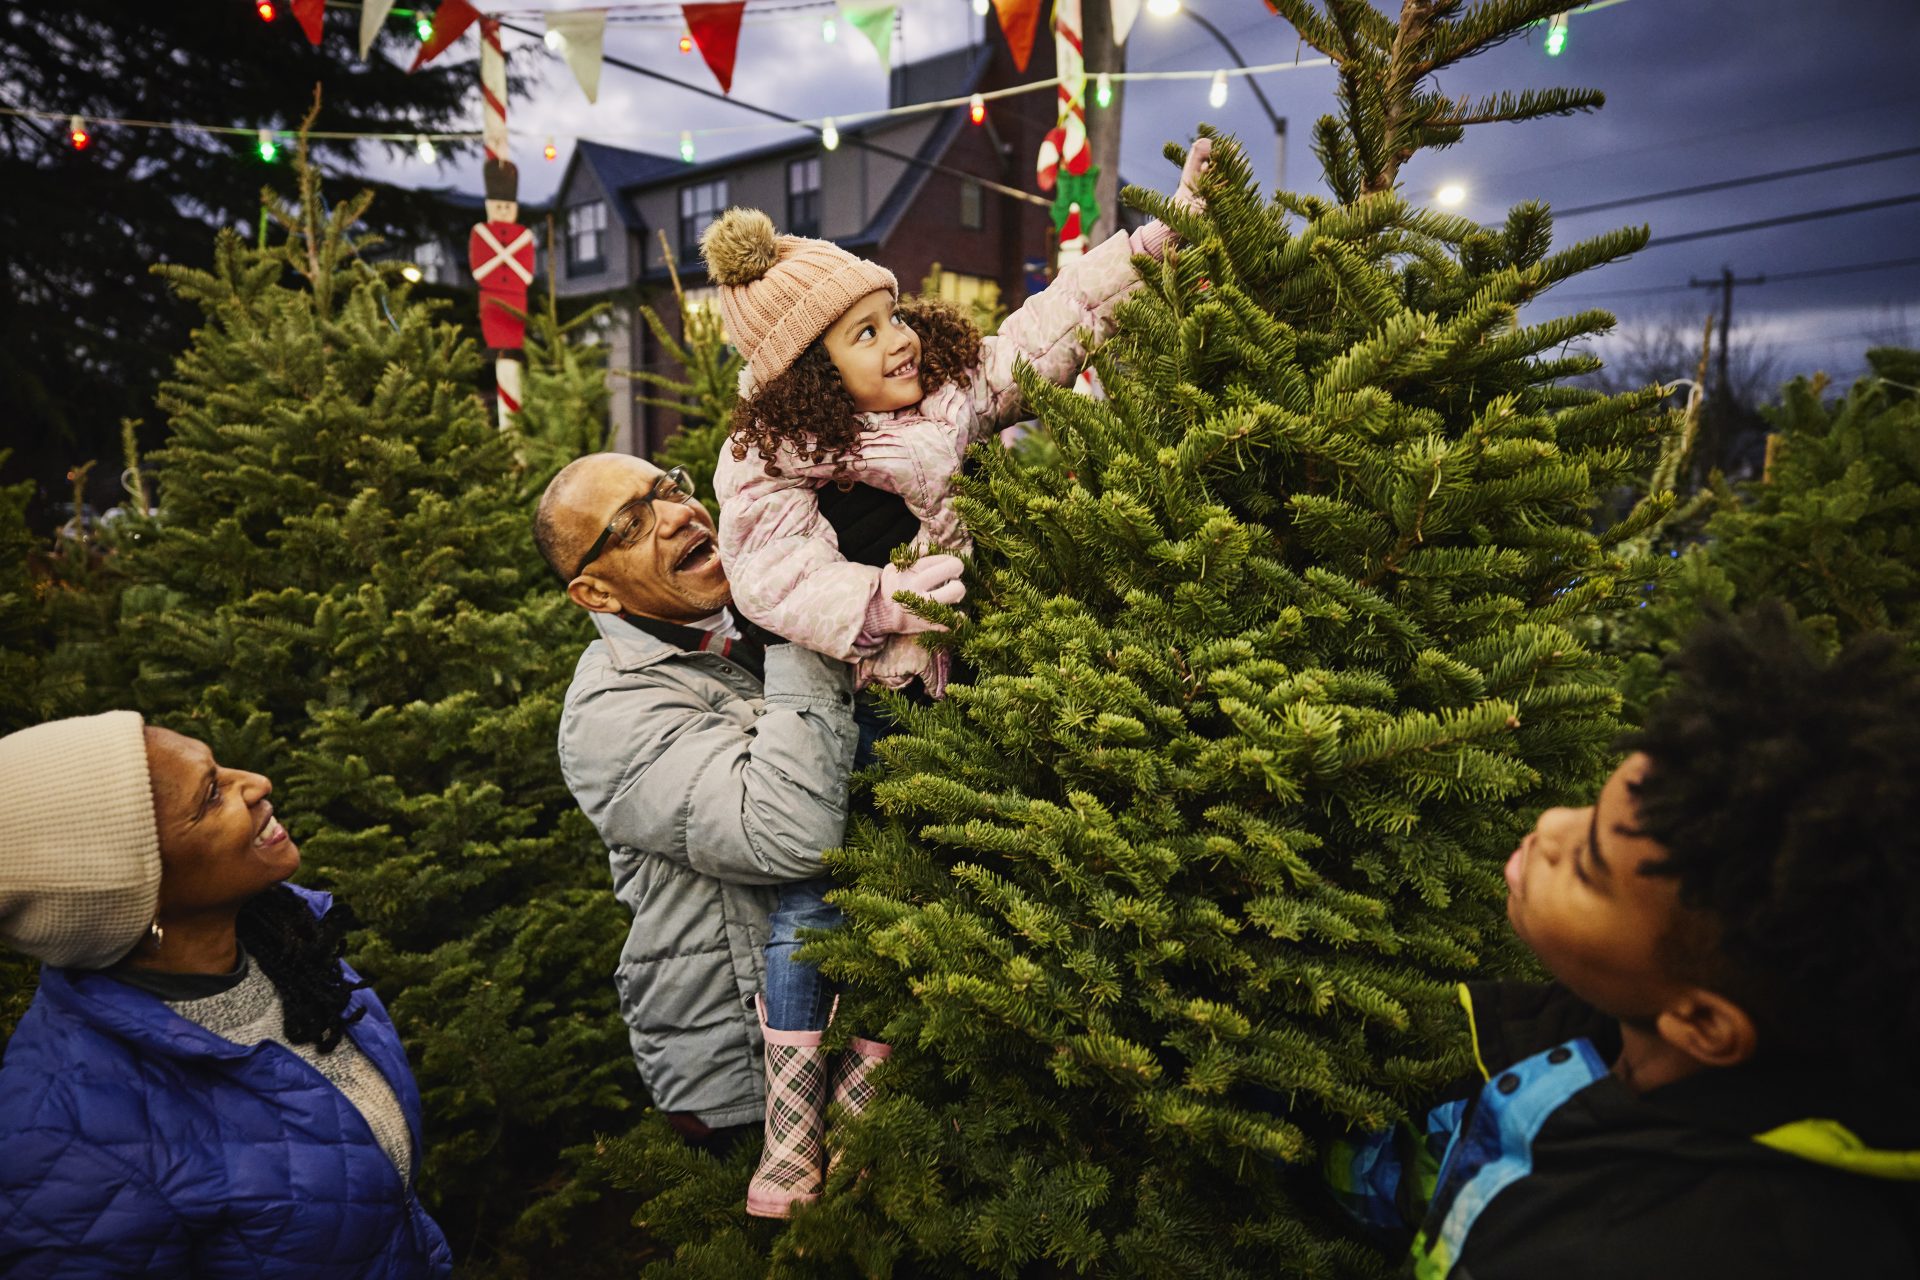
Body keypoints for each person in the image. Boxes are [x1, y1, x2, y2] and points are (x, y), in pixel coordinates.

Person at [1326, 605, 1920, 1277]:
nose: (1550, 824)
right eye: (1587, 809)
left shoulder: (1655, 1251)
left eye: (1586, 866)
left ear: (1701, 1022)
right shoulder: (1613, 1036)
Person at [535, 451, 876, 1218]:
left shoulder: (738, 619)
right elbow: (789, 836)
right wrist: (800, 623)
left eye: (668, 488)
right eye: (630, 524)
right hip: (751, 1095)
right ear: (593, 591)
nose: (676, 514)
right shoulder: (609, 716)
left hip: (862, 1034)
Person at [0, 711, 452, 1278]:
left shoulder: (288, 946)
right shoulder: (66, 1147)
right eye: (211, 796)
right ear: (136, 894)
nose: (256, 782)